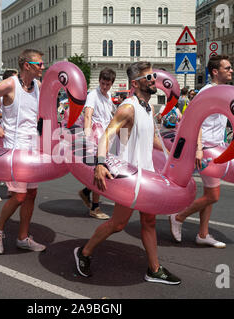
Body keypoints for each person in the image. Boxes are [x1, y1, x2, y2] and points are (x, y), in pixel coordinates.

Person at [74, 61, 181, 285]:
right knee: (118, 223)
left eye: (154, 77)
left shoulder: (148, 107)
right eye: (149, 78)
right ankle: (84, 252)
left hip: (147, 174)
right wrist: (100, 164)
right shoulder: (128, 107)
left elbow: (151, 138)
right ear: (135, 83)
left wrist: (173, 155)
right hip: (130, 178)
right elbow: (107, 134)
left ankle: (154, 269)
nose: (154, 81)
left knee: (149, 222)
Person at [0, 49, 46, 254]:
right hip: (14, 148)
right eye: (39, 64)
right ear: (27, 65)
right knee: (19, 196)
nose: (42, 67)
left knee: (31, 194)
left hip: (33, 148)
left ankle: (23, 237)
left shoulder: (38, 86)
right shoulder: (10, 84)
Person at [169, 55, 233, 249]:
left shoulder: (223, 91)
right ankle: (179, 216)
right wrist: (198, 149)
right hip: (205, 148)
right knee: (213, 195)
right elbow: (193, 120)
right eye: (227, 68)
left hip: (217, 147)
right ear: (215, 71)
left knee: (209, 193)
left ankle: (203, 234)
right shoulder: (206, 93)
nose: (231, 71)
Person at [78, 68, 117, 220]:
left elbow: (111, 114)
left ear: (112, 84)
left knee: (103, 169)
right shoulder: (93, 95)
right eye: (102, 83)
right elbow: (88, 115)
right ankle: (95, 207)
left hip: (107, 136)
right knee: (101, 169)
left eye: (107, 84)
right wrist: (88, 137)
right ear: (99, 80)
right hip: (96, 137)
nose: (104, 87)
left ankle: (87, 192)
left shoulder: (108, 96)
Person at [0, 69, 18, 202]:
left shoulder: (18, 94)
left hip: (15, 132)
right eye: (14, 79)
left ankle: (11, 188)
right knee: (1, 162)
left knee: (14, 161)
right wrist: (7, 115)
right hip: (3, 132)